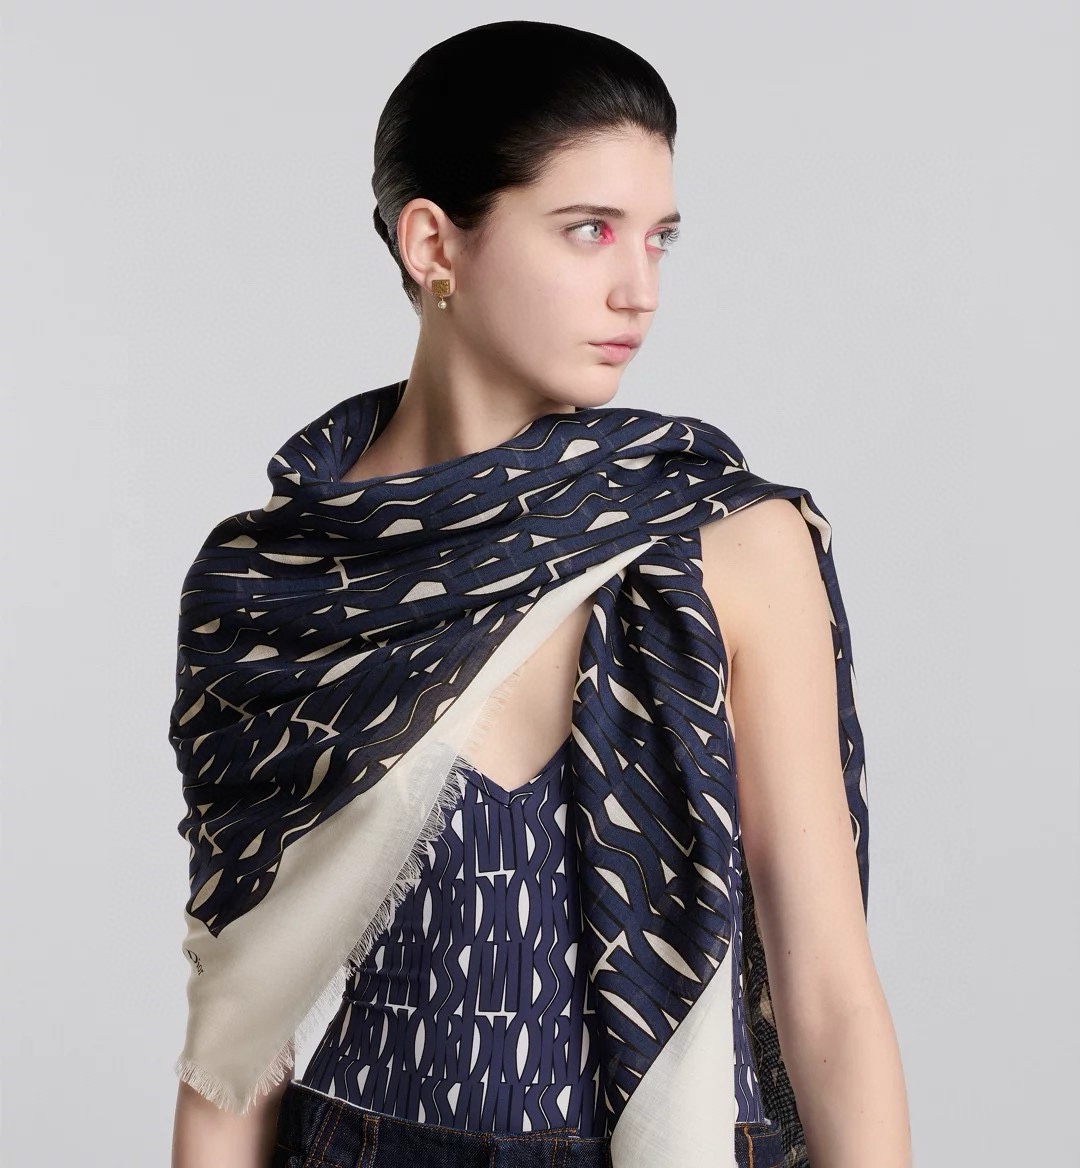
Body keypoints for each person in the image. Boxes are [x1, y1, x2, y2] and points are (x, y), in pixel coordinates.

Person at [170, 19, 911, 1168]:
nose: (638, 288)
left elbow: (827, 992)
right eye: (589, 230)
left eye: (660, 239)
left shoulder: (730, 544)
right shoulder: (280, 580)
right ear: (434, 243)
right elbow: (237, 1033)